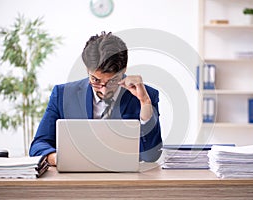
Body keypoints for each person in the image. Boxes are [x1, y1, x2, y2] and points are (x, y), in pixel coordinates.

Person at [29, 31, 163, 166]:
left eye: (112, 81)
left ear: (124, 70)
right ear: (87, 70)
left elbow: (151, 156)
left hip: (126, 180)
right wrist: (58, 158)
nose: (104, 90)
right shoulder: (63, 95)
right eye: (96, 80)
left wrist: (145, 103)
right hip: (76, 178)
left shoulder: (146, 96)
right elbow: (38, 145)